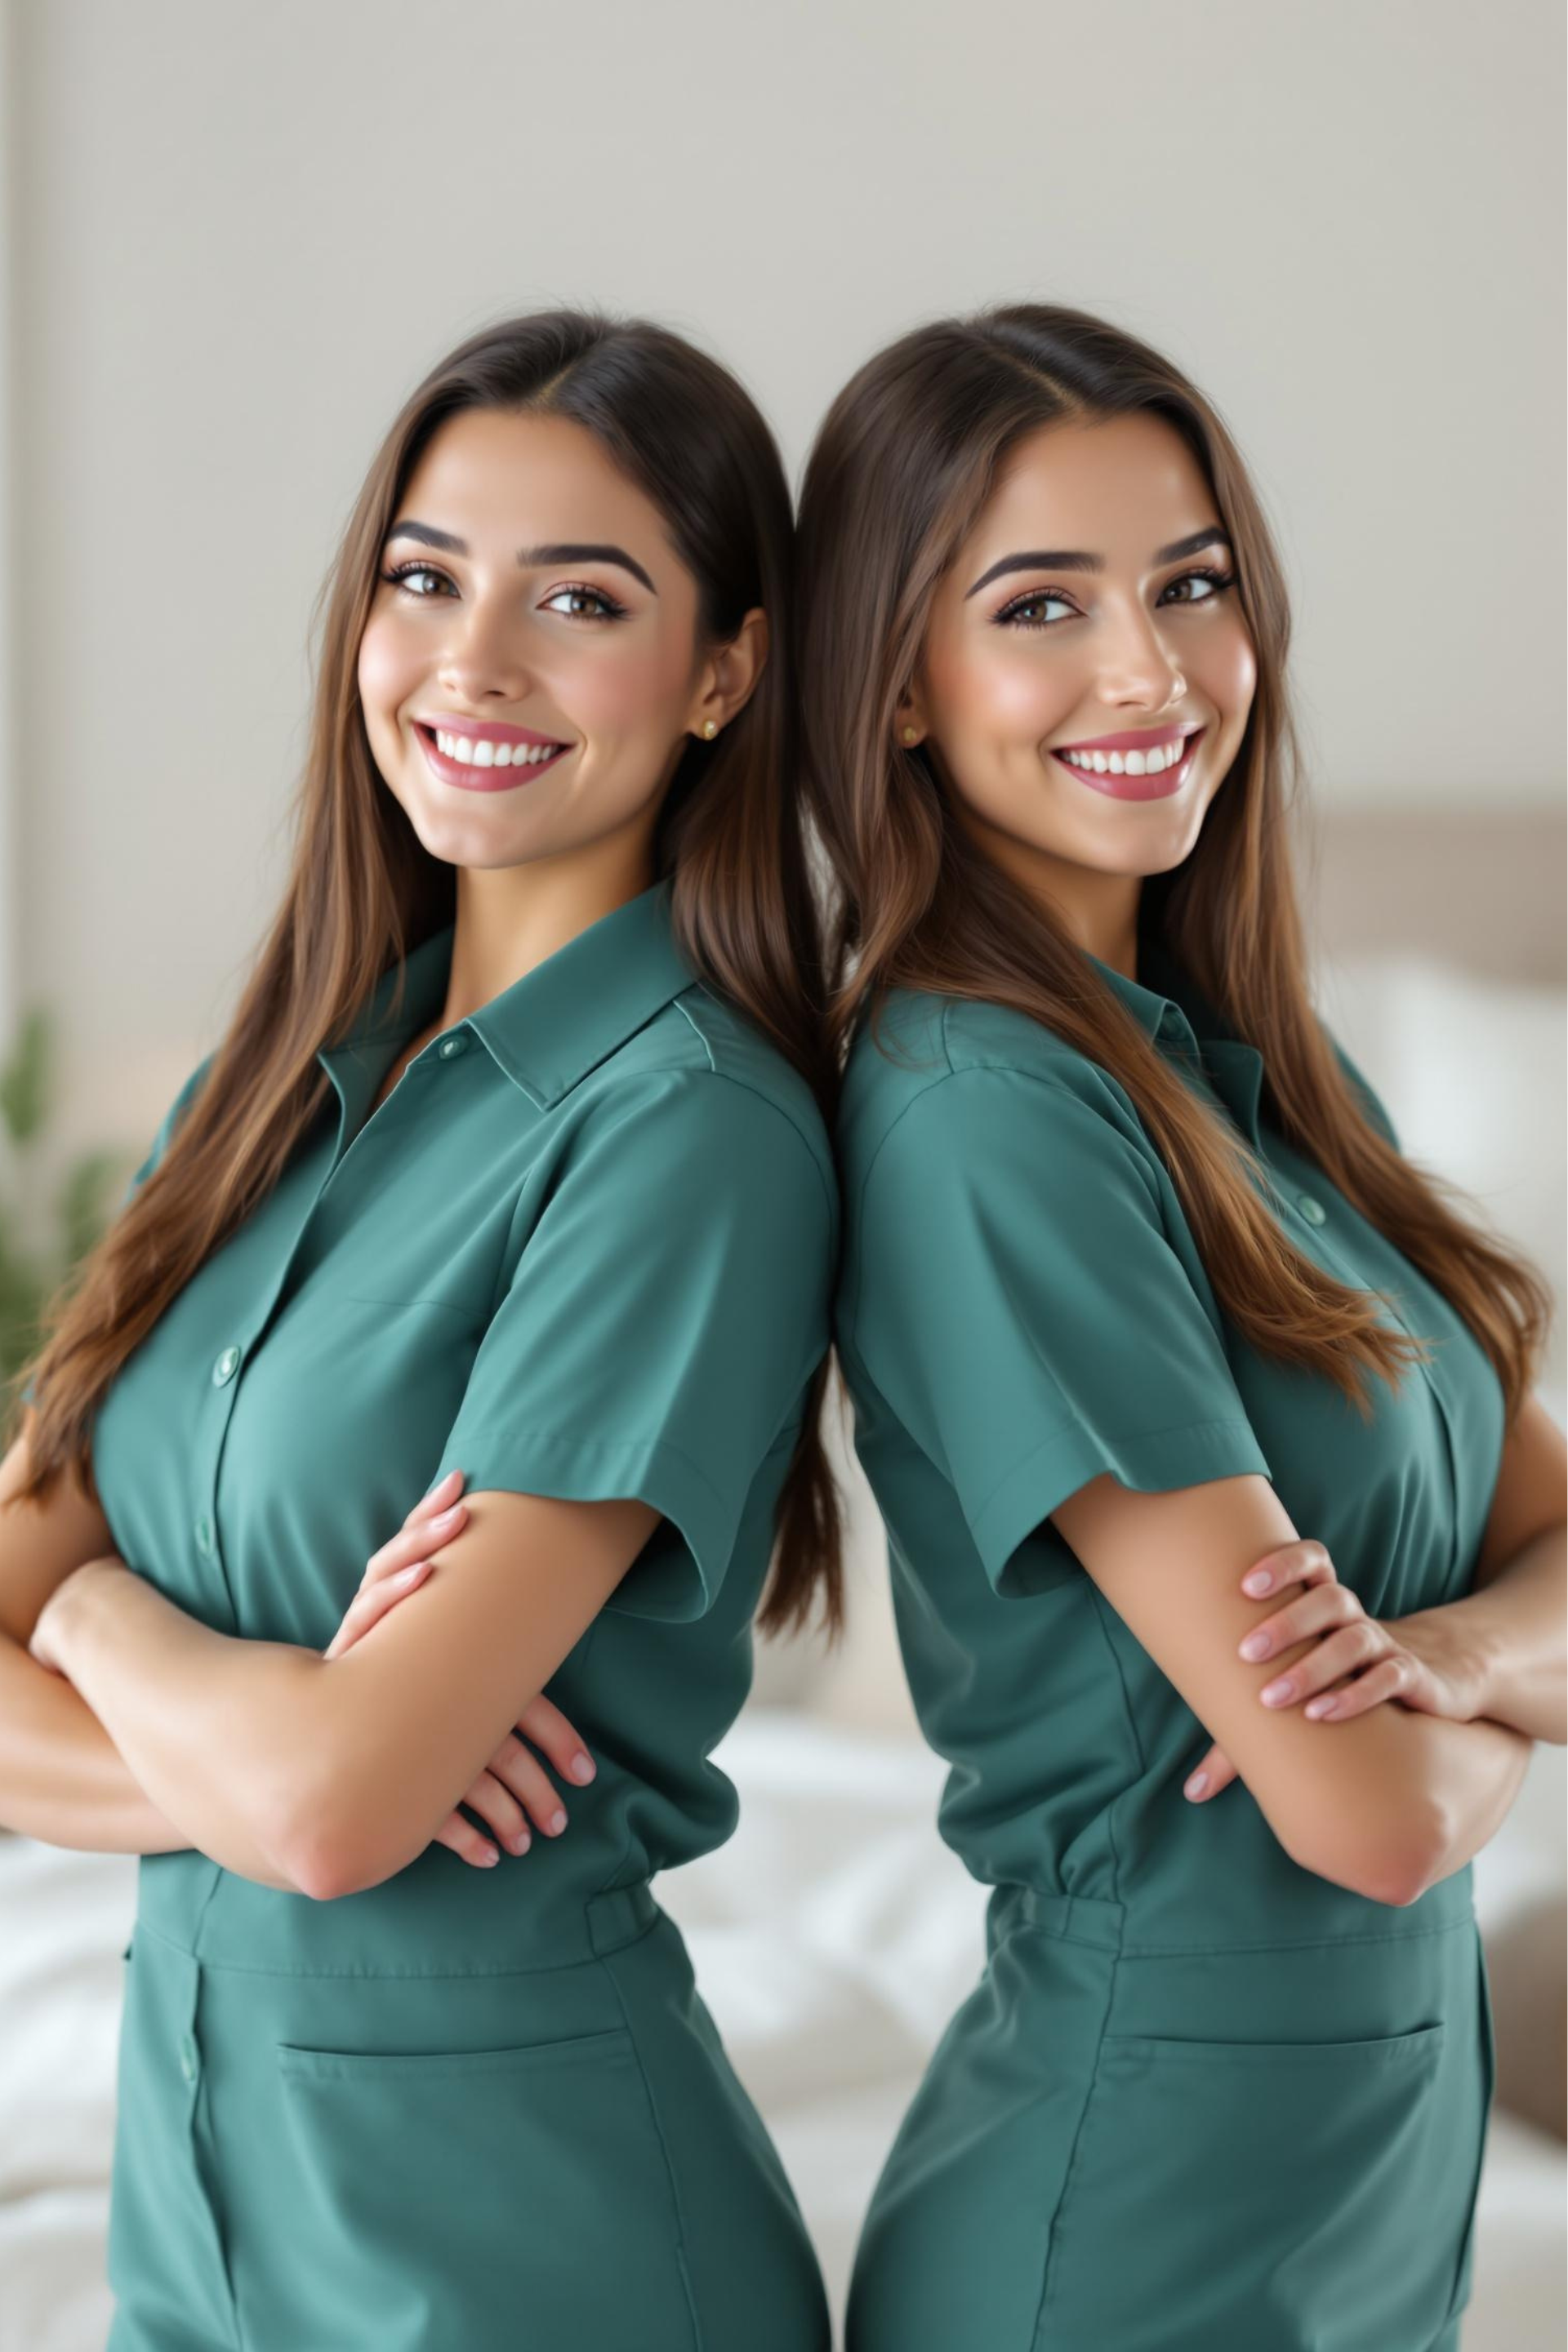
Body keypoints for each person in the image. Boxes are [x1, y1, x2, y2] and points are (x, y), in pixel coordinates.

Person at [2, 307, 842, 2351]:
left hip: (527, 2256)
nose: (475, 661)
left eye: (582, 599)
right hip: (197, 2225)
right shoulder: (268, 1087)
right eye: (425, 577)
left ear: (725, 672)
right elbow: (306, 1797)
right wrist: (267, 1743)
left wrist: (98, 1623)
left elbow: (331, 1811)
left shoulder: (693, 1132)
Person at [795, 300, 1566, 2352]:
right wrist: (1484, 1707)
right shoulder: (979, 1111)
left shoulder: (1257, 1078)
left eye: (1192, 584)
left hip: (1367, 2165)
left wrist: (1458, 1660)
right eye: (1040, 606)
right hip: (1141, 2204)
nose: (1149, 670)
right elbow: (1369, 1819)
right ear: (897, 683)